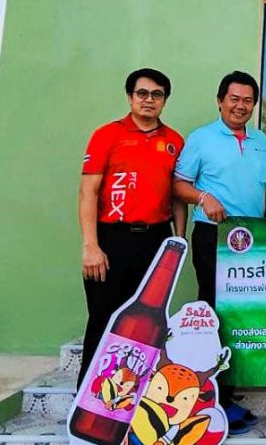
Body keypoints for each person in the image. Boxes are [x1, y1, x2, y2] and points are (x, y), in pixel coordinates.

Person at [173, 70, 266, 434]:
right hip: (213, 236)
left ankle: (228, 394)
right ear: (220, 101)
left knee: (244, 314)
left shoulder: (261, 140)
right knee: (215, 313)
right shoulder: (201, 138)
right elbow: (179, 184)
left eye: (248, 100)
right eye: (234, 99)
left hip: (254, 240)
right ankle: (209, 399)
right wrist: (204, 197)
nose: (241, 106)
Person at [77, 68, 185, 386]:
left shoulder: (174, 141)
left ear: (165, 100)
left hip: (156, 240)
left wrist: (179, 241)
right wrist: (90, 246)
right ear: (130, 97)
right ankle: (90, 394)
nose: (149, 100)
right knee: (104, 317)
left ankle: (134, 393)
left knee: (146, 325)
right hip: (112, 239)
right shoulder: (107, 135)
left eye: (157, 95)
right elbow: (87, 192)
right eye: (142, 93)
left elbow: (178, 195)